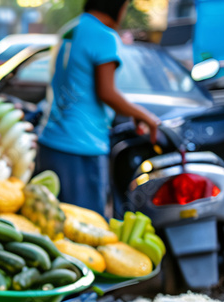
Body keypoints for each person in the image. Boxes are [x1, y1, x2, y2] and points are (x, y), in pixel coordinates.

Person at [36, 0, 159, 214]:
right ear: (118, 7)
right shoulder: (104, 36)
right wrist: (145, 116)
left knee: (50, 226)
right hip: (82, 146)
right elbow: (107, 93)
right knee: (85, 230)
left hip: (50, 143)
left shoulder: (70, 29)